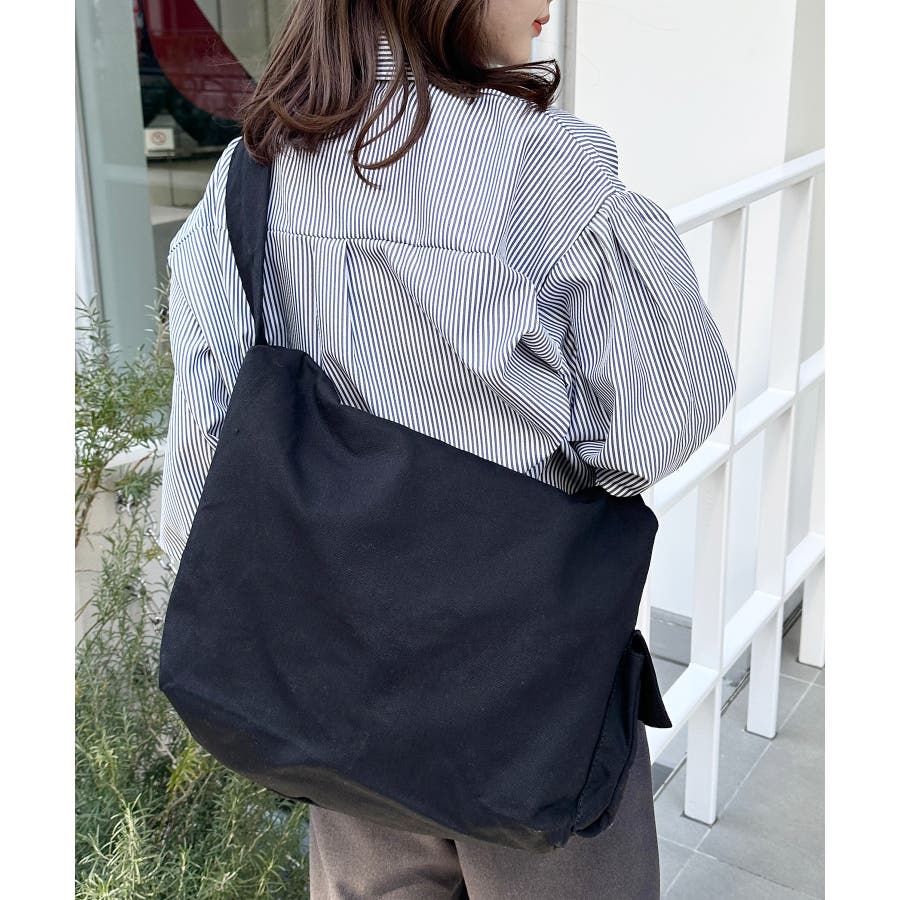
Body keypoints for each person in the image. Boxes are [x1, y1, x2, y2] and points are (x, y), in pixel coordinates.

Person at [158, 1, 737, 897]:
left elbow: (199, 489)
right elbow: (654, 427)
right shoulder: (549, 170)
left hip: (341, 719)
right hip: (533, 714)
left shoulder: (248, 179)